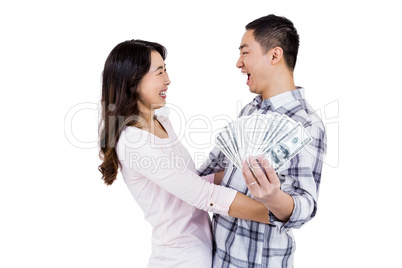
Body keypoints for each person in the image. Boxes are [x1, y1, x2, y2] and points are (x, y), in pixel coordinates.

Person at [98, 39, 270, 268]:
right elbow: (201, 194)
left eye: (165, 70)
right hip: (179, 260)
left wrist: (240, 172)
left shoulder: (162, 123)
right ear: (133, 81)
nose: (168, 80)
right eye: (159, 72)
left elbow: (189, 182)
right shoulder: (134, 142)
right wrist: (278, 213)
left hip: (200, 252)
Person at [198, 14, 327, 267]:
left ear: (274, 55)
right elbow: (215, 171)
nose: (238, 63)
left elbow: (305, 207)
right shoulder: (249, 111)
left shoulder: (307, 123)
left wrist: (273, 197)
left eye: (245, 53)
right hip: (219, 257)